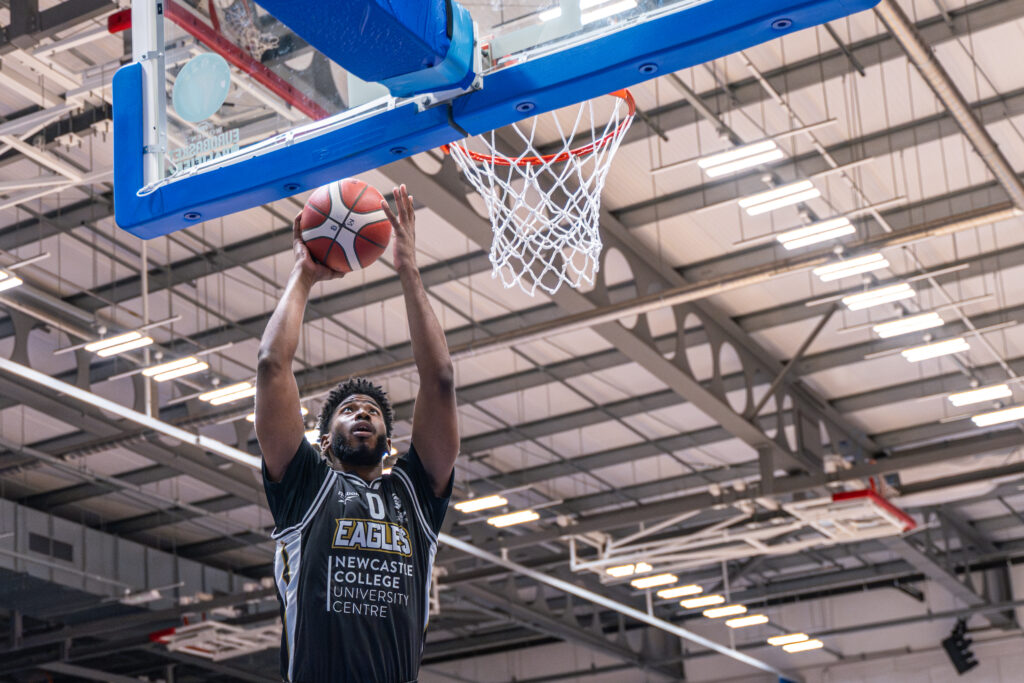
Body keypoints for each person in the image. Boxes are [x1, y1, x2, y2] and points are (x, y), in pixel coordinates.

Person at [254, 184, 458, 682]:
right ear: (323, 442)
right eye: (348, 411)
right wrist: (303, 275)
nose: (363, 414)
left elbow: (441, 381)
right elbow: (270, 366)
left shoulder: (414, 496)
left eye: (372, 411)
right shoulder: (305, 486)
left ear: (391, 442)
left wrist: (409, 271)